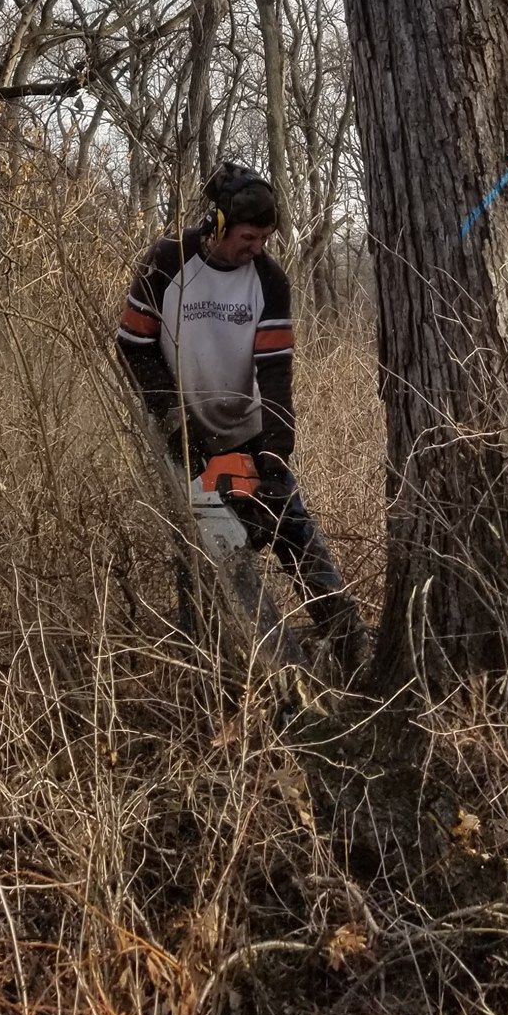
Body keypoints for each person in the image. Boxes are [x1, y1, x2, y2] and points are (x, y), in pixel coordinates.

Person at [114, 160, 369, 676]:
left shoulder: (269, 280)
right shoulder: (168, 262)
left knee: (296, 533)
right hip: (182, 430)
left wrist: (274, 456)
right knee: (203, 551)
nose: (257, 248)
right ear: (219, 223)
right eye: (249, 237)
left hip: (250, 428)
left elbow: (276, 372)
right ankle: (206, 664)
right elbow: (134, 346)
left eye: (265, 238)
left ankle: (354, 652)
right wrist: (176, 427)